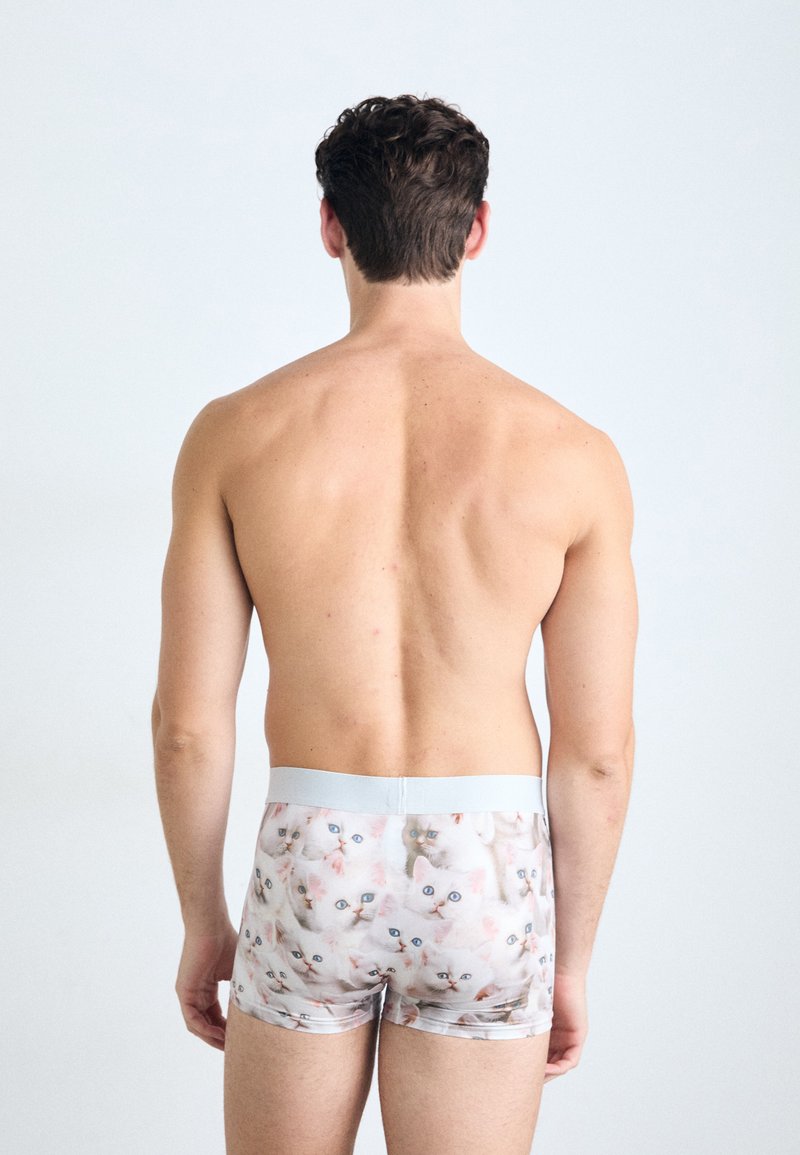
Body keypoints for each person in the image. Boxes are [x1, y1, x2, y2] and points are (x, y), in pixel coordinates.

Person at [152, 92, 638, 1155]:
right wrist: (569, 956)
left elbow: (188, 728)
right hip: (488, 869)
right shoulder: (574, 455)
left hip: (310, 853)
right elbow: (596, 754)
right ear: (476, 229)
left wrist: (203, 920)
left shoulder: (234, 435)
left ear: (331, 225)